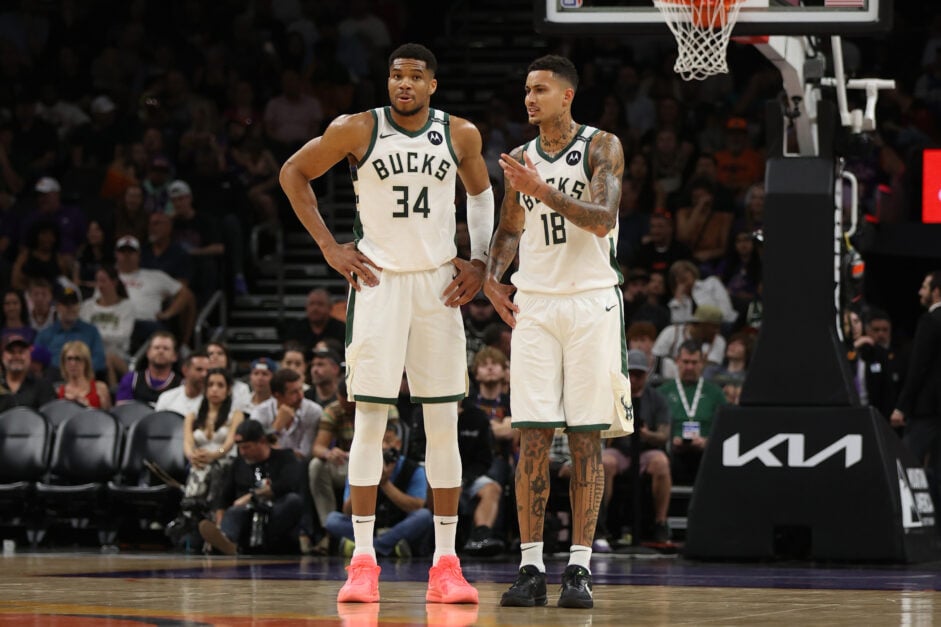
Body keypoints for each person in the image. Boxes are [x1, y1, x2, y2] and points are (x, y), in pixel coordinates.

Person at [280, 43, 493, 604]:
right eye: (396, 75)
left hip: (437, 286)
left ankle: (446, 564)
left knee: (443, 421)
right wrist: (330, 248)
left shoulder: (461, 134)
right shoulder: (356, 129)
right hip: (377, 283)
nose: (403, 84)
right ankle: (363, 560)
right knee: (370, 419)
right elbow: (293, 173)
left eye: (415, 76)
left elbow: (481, 194)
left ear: (432, 85)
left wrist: (482, 263)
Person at [484, 55, 625, 609]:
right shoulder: (518, 159)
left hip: (590, 303)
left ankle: (580, 569)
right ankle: (530, 567)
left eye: (540, 89)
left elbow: (603, 217)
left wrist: (543, 192)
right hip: (536, 307)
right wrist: (494, 280)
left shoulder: (601, 146)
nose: (530, 98)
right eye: (526, 90)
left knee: (586, 438)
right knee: (533, 438)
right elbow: (509, 229)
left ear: (567, 96)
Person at [325, 421, 433, 558]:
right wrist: (366, 480)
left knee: (424, 516)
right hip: (368, 526)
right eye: (379, 442)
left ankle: (369, 548)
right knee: (332, 520)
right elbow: (347, 511)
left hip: (399, 525)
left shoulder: (413, 469)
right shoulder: (359, 467)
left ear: (398, 444)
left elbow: (416, 506)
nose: (383, 447)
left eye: (388, 441)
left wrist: (385, 483)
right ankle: (388, 547)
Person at [199, 419, 304, 555]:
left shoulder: (285, 458)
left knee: (293, 501)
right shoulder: (238, 464)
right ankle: (224, 540)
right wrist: (219, 523)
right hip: (245, 519)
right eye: (240, 448)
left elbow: (288, 484)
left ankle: (236, 542)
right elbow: (224, 499)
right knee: (235, 511)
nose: (242, 452)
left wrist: (252, 496)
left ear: (262, 441)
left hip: (274, 516)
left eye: (247, 447)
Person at [168, 367, 245, 546]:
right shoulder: (192, 416)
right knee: (199, 468)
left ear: (228, 390)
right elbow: (187, 443)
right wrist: (192, 456)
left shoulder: (236, 415)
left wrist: (213, 455)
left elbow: (228, 445)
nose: (215, 389)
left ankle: (189, 512)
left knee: (213, 468)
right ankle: (194, 518)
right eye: (211, 385)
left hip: (225, 461)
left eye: (220, 385)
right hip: (199, 463)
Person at [603, 349, 672, 543]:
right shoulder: (613, 396)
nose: (634, 379)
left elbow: (664, 435)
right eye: (630, 374)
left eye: (639, 375)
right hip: (620, 449)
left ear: (646, 374)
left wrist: (646, 434)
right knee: (605, 462)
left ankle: (660, 522)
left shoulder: (657, 399)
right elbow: (602, 430)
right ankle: (600, 522)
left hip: (646, 451)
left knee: (661, 463)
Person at [891, 271, 941, 506]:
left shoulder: (930, 321)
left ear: (936, 292)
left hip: (926, 410)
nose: (920, 292)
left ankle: (906, 523)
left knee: (905, 464)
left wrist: (902, 406)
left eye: (924, 287)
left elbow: (918, 368)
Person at [661, 340, 727, 485]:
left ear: (702, 362)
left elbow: (726, 427)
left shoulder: (714, 392)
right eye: (685, 362)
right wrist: (669, 440)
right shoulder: (663, 392)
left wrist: (707, 442)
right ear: (677, 361)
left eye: (694, 362)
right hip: (672, 452)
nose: (690, 367)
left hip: (707, 452)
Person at [79, 266, 135, 389]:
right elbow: (82, 333)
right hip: (91, 352)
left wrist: (95, 334)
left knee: (107, 357)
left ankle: (115, 392)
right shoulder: (87, 306)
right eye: (98, 281)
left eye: (103, 281)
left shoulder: (126, 306)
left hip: (118, 354)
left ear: (114, 282)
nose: (100, 285)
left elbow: (123, 336)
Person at [35, 287, 107, 376]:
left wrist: (78, 369)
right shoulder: (45, 334)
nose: (70, 308)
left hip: (83, 378)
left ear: (79, 306)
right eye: (66, 304)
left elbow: (100, 359)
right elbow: (35, 360)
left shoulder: (91, 331)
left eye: (74, 304)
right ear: (57, 307)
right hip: (52, 378)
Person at [114, 330, 181, 405]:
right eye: (156, 347)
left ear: (175, 356)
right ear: (148, 353)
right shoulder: (131, 380)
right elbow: (122, 411)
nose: (161, 351)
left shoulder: (181, 386)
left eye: (166, 348)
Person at [281, 288, 346, 355]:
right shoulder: (295, 329)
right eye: (311, 304)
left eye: (320, 304)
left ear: (330, 308)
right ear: (306, 307)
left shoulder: (341, 329)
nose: (315, 308)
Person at [0, 333, 56, 412]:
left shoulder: (44, 386)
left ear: (29, 355)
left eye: (21, 352)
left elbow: (50, 418)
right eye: (11, 352)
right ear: (2, 356)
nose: (17, 356)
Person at [56, 340, 112, 409]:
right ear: (63, 363)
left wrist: (88, 408)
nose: (73, 363)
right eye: (69, 359)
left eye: (77, 359)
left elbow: (107, 418)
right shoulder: (59, 392)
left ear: (86, 363)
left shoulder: (100, 389)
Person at [155, 350, 210, 416]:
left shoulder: (212, 402)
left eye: (208, 370)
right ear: (185, 370)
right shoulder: (166, 398)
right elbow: (157, 424)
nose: (204, 374)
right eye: (199, 369)